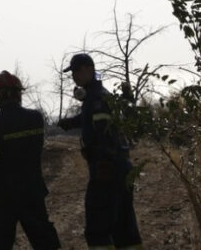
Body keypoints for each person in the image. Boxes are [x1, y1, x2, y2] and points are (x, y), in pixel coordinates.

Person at [57, 53, 143, 249]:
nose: (75, 77)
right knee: (124, 228)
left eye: (77, 71)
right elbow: (95, 118)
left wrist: (104, 162)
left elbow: (104, 129)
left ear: (89, 69)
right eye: (73, 73)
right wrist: (72, 122)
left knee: (97, 230)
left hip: (106, 170)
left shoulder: (96, 98)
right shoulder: (100, 95)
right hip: (121, 168)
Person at [0, 71, 61, 250]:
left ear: (1, 95)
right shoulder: (35, 118)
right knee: (44, 241)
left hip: (4, 196)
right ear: (17, 93)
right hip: (33, 191)